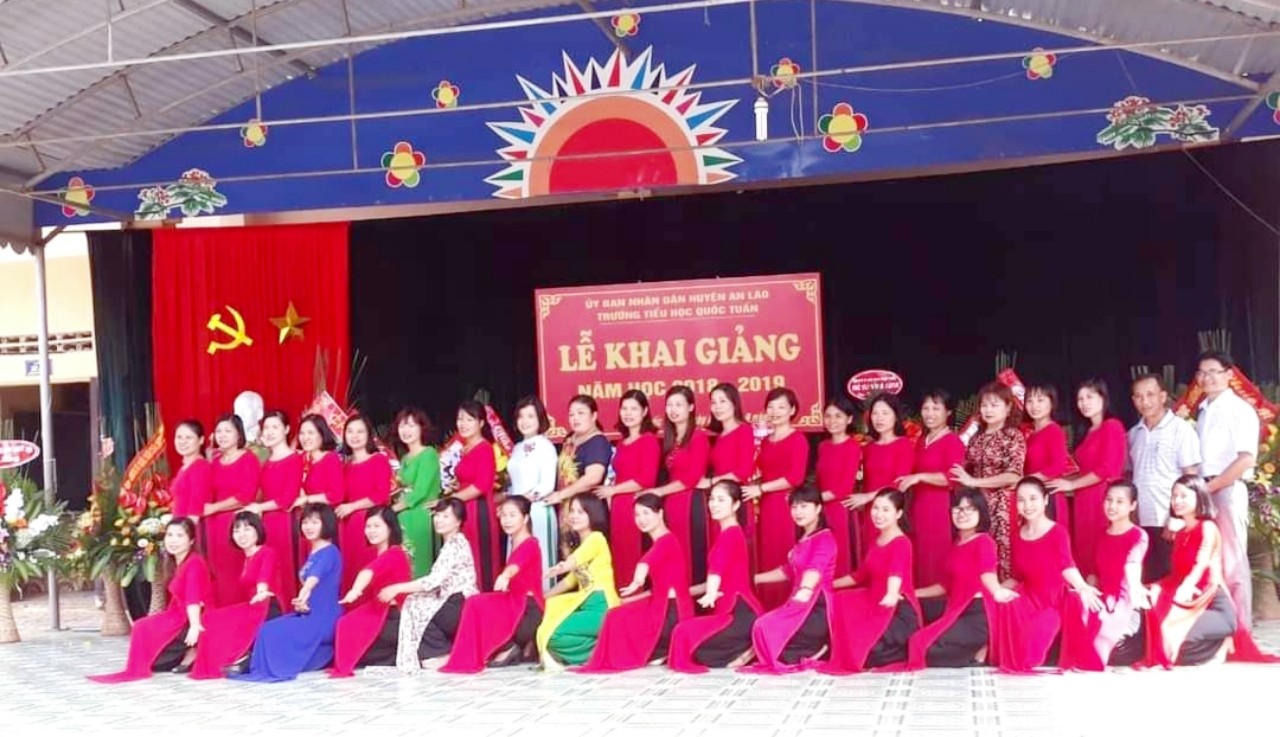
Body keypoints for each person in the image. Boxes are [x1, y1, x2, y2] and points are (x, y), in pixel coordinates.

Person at [1143, 475, 1279, 666]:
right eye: (1174, 496)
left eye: (1183, 496)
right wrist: (1153, 587)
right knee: (1162, 638)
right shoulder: (1181, 533)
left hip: (1214, 603)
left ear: (1199, 497)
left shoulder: (1208, 527)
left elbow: (1201, 563)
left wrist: (1186, 587)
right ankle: (1215, 645)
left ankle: (1221, 645)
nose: (1177, 501)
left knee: (1173, 639)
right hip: (1192, 600)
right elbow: (1177, 573)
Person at [989, 478, 1099, 673]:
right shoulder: (1016, 535)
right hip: (1027, 598)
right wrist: (992, 590)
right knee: (1003, 604)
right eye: (1021, 500)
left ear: (1045, 500)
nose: (1027, 505)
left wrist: (1082, 587)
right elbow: (1016, 576)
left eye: (1033, 498)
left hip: (1052, 603)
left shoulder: (1058, 532)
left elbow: (1066, 565)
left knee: (1028, 655)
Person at [578, 493, 693, 672]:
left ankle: (655, 651)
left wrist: (637, 581)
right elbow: (657, 588)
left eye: (646, 513)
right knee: (616, 614)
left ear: (660, 513)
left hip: (670, 613)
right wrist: (629, 599)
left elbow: (645, 563)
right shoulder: (660, 541)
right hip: (660, 605)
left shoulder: (667, 541)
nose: (641, 519)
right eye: (637, 514)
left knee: (619, 618)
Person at [88, 518, 211, 682]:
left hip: (191, 617)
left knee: (142, 627)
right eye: (170, 535)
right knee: (144, 631)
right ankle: (175, 655)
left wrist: (195, 626)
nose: (173, 540)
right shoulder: (175, 561)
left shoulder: (194, 563)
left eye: (180, 536)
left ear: (192, 541)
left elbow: (193, 599)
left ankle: (191, 651)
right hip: (178, 613)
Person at [231, 503, 343, 682]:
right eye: (305, 522)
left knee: (269, 631)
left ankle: (268, 666)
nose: (308, 526)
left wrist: (303, 594)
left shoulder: (329, 552)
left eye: (315, 522)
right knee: (267, 629)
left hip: (322, 618)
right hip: (307, 614)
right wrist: (302, 604)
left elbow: (313, 579)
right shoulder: (314, 553)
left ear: (327, 523)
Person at [905, 488, 1010, 668]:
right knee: (916, 640)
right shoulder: (957, 545)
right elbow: (944, 586)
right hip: (957, 610)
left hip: (978, 614)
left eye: (970, 509)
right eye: (958, 509)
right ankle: (973, 650)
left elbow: (987, 573)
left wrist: (997, 591)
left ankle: (982, 648)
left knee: (925, 649)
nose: (962, 514)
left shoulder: (984, 542)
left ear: (981, 513)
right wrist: (909, 593)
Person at [440, 496, 546, 673]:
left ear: (525, 518)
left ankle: (508, 647)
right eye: (503, 515)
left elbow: (516, 565)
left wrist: (505, 575)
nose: (506, 520)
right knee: (475, 602)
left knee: (477, 603)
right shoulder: (515, 541)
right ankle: (502, 648)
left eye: (512, 515)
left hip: (527, 608)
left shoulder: (530, 543)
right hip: (514, 601)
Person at [738, 486, 836, 674]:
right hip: (799, 602)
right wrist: (754, 579)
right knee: (764, 627)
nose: (798, 512)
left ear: (818, 508)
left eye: (804, 506)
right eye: (794, 507)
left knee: (766, 627)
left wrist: (806, 589)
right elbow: (789, 571)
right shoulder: (805, 537)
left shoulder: (824, 538)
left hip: (816, 605)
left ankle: (817, 649)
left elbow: (815, 568)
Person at [821, 489, 921, 673]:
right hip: (873, 600)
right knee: (840, 599)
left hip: (896, 609)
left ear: (898, 514)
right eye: (875, 508)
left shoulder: (902, 543)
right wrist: (826, 584)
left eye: (885, 510)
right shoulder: (876, 540)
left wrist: (891, 594)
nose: (878, 514)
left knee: (869, 653)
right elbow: (860, 576)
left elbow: (896, 572)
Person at [1193, 351, 1259, 631]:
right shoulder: (1203, 411)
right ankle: (1221, 629)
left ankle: (1242, 631)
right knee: (1210, 560)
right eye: (1202, 372)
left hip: (1226, 490)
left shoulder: (1239, 410)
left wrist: (1211, 486)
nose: (1206, 377)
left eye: (1213, 371)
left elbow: (1246, 459)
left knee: (1233, 561)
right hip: (1204, 490)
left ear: (1229, 375)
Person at [668, 480, 762, 672]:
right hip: (730, 610)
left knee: (683, 633)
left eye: (721, 500)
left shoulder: (731, 534)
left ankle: (746, 648)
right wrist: (683, 592)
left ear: (736, 505)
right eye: (712, 499)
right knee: (684, 633)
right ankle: (742, 649)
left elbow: (716, 570)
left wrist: (711, 592)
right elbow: (717, 577)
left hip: (739, 613)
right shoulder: (727, 532)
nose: (714, 504)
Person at [1058, 481, 1149, 670]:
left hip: (1123, 599)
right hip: (1102, 595)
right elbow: (1094, 572)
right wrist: (1088, 590)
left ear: (1132, 505)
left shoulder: (1138, 535)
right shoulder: (1101, 534)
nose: (1112, 506)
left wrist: (1135, 589)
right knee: (1076, 601)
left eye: (1119, 501)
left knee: (1098, 641)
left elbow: (1132, 564)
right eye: (1109, 500)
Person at [381, 498, 477, 671]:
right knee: (416, 601)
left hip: (459, 602)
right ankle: (438, 650)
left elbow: (432, 581)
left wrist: (397, 588)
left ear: (458, 521)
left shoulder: (455, 544)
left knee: (415, 604)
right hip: (455, 600)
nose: (439, 520)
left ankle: (440, 653)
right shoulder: (452, 542)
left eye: (446, 516)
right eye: (437, 515)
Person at [1047, 380, 1126, 577]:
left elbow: (1106, 469)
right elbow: (1081, 469)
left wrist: (1071, 484)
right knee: (1085, 550)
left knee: (1101, 551)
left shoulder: (1112, 426)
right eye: (1080, 399)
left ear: (1103, 398)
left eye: (1089, 397)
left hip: (1103, 498)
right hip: (1083, 499)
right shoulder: (1087, 432)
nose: (1084, 403)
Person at [1127, 373, 1200, 583]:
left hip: (1170, 520)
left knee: (1173, 579)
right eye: (1139, 396)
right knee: (1148, 580)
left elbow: (1191, 477)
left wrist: (1179, 517)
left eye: (1150, 395)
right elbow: (1130, 476)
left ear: (1163, 396)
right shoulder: (1133, 434)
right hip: (1142, 520)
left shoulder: (1180, 429)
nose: (1145, 401)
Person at [190, 512, 282, 679]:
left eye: (247, 529)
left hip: (266, 607)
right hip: (253, 606)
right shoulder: (247, 558)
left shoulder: (266, 552)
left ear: (258, 530)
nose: (241, 534)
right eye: (236, 530)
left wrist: (262, 591)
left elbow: (264, 577)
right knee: (211, 617)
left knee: (213, 619)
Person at [744, 388, 810, 609]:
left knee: (785, 553)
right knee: (766, 554)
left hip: (786, 505)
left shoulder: (798, 439)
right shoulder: (765, 441)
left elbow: (795, 477)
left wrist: (761, 488)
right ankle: (767, 606)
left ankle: (789, 607)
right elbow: (764, 472)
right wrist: (754, 484)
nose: (775, 411)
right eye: (771, 407)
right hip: (766, 504)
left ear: (792, 410)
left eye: (781, 407)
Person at [536, 495, 619, 671]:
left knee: (552, 635)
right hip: (586, 605)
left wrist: (562, 566)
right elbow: (570, 581)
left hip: (602, 606)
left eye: (580, 512)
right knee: (547, 631)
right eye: (572, 511)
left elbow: (574, 561)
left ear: (592, 514)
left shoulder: (596, 538)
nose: (574, 516)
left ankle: (604, 650)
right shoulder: (582, 543)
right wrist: (543, 596)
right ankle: (603, 646)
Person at [951, 383, 1025, 580]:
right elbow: (962, 465)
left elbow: (1014, 475)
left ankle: (1001, 595)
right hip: (977, 506)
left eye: (994, 405)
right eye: (984, 405)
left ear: (1008, 408)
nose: (988, 410)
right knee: (976, 554)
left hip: (1002, 506)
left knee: (1002, 555)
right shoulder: (976, 438)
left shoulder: (1013, 435)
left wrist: (974, 481)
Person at [329, 507, 412, 677]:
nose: (371, 531)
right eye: (368, 526)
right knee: (346, 625)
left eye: (377, 526)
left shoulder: (394, 552)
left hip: (393, 616)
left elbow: (368, 572)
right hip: (379, 610)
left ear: (390, 528)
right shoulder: (379, 553)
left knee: (356, 640)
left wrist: (355, 590)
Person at [896, 389, 966, 588]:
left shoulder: (952, 441)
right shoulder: (922, 440)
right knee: (919, 556)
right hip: (918, 507)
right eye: (925, 408)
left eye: (936, 408)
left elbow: (953, 477)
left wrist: (920, 477)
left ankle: (937, 600)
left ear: (948, 412)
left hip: (939, 509)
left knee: (936, 557)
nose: (929, 413)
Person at [642, 386, 711, 585]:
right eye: (670, 405)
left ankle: (694, 598)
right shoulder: (670, 439)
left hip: (691, 503)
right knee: (673, 554)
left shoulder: (698, 437)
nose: (673, 409)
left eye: (679, 405)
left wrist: (659, 491)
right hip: (672, 504)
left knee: (692, 553)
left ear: (691, 407)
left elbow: (693, 478)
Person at [596, 389, 661, 586]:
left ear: (644, 411)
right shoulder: (621, 443)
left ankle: (638, 599)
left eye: (634, 409)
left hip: (636, 506)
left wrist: (613, 490)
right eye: (624, 408)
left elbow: (646, 479)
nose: (628, 413)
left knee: (635, 555)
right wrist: (611, 492)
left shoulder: (648, 440)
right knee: (620, 556)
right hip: (618, 507)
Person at [243, 411, 302, 609]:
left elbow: (288, 498)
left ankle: (289, 610)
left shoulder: (294, 459)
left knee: (285, 568)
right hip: (266, 523)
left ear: (286, 430)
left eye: (275, 427)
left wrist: (259, 507)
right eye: (266, 428)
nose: (269, 432)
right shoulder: (266, 462)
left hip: (285, 522)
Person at [849, 394, 915, 562]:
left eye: (885, 413)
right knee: (869, 558)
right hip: (870, 512)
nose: (879, 418)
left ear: (896, 416)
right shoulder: (869, 447)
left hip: (890, 511)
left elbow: (899, 483)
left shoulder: (903, 445)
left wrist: (868, 497)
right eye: (875, 413)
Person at [205, 414, 262, 607]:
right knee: (219, 574)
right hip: (214, 527)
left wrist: (214, 508)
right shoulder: (214, 462)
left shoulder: (248, 459)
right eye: (218, 431)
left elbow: (246, 495)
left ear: (239, 434)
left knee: (237, 573)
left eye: (227, 431)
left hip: (238, 525)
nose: (222, 435)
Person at [505, 396, 558, 589]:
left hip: (537, 510)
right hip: (516, 513)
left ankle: (544, 599)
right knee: (517, 562)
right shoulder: (517, 448)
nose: (525, 421)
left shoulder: (546, 446)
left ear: (540, 419)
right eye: (521, 416)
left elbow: (547, 485)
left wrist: (521, 501)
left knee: (541, 561)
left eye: (530, 416)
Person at [337, 415, 393, 592]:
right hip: (347, 526)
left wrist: (352, 507)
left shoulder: (378, 460)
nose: (355, 436)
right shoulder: (345, 466)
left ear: (369, 435)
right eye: (350, 431)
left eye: (360, 431)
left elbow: (382, 495)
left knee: (367, 569)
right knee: (350, 570)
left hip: (369, 524)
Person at [448, 400, 500, 590]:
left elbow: (482, 485)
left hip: (479, 510)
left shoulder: (484, 448)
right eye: (460, 419)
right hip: (464, 509)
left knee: (481, 561)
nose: (463, 424)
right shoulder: (466, 448)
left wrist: (452, 499)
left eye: (470, 419)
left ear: (481, 423)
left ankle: (485, 600)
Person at [702, 383, 756, 550]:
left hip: (735, 500)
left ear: (734, 403)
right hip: (719, 501)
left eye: (722, 401)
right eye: (713, 402)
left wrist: (711, 482)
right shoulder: (719, 436)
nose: (717, 407)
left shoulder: (744, 430)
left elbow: (744, 471)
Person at [391, 407, 442, 578]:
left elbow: (421, 491)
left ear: (422, 428)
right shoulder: (405, 458)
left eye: (411, 425)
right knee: (404, 561)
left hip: (420, 515)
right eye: (402, 426)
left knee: (420, 562)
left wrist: (393, 509)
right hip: (403, 516)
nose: (406, 430)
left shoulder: (429, 454)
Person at [815, 396, 862, 578]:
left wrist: (814, 499)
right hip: (821, 510)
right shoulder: (823, 446)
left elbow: (844, 488)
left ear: (849, 419)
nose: (832, 421)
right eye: (828, 416)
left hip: (840, 510)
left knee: (839, 558)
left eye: (838, 416)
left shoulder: (852, 446)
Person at [292, 415, 343, 569]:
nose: (305, 437)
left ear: (322, 434)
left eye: (311, 433)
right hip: (306, 521)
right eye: (302, 433)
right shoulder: (302, 459)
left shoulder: (330, 459)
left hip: (323, 522)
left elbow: (336, 495)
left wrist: (307, 499)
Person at [547, 394, 612, 508]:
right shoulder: (569, 439)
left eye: (581, 413)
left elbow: (593, 478)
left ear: (594, 416)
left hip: (587, 509)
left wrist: (561, 495)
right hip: (565, 507)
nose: (575, 418)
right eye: (571, 414)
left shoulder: (598, 442)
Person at [1023, 383, 1072, 525]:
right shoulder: (1030, 435)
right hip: (1032, 495)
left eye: (1040, 400)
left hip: (1049, 495)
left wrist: (1026, 480)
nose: (1034, 406)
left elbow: (1058, 466)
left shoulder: (1054, 431)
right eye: (1030, 401)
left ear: (1052, 403)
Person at [170, 420, 211, 525]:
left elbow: (196, 508)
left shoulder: (200, 467)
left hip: (190, 527)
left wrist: (185, 531)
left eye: (188, 438)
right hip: (179, 526)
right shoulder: (184, 467)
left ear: (201, 440)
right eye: (179, 437)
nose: (182, 442)